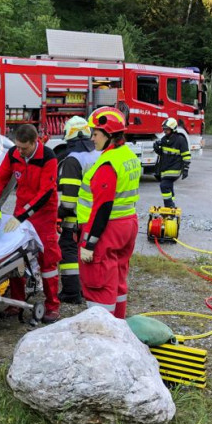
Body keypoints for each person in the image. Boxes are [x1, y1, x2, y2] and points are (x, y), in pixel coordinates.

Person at [77, 107, 141, 319]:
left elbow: (102, 207)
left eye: (96, 133)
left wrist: (89, 244)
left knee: (99, 282)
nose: (92, 138)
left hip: (106, 229)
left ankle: (102, 334)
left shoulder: (107, 164)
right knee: (118, 279)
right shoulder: (127, 155)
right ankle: (119, 326)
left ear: (110, 135)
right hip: (127, 224)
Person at [0, 124, 61, 323]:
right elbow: (0, 180)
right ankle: (16, 302)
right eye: (18, 147)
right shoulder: (14, 154)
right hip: (21, 211)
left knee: (47, 260)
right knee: (14, 257)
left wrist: (22, 216)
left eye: (24, 148)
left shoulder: (48, 157)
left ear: (35, 142)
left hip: (43, 214)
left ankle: (52, 305)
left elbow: (45, 192)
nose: (20, 151)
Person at [57, 116, 101, 304]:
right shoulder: (98, 154)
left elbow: (68, 202)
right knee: (90, 252)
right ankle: (88, 289)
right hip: (97, 215)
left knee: (68, 249)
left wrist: (57, 215)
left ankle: (72, 292)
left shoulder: (73, 160)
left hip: (77, 216)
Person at [152, 117, 190, 208]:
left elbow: (186, 156)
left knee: (164, 185)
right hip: (165, 169)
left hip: (174, 169)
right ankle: (171, 204)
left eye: (167, 129)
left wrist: (185, 169)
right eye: (164, 129)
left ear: (173, 129)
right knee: (169, 186)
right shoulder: (164, 139)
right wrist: (157, 148)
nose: (165, 131)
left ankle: (169, 206)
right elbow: (162, 154)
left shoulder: (180, 140)